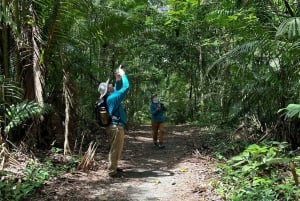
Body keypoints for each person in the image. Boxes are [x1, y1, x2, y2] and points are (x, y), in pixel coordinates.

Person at [98, 65, 130, 177]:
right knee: (115, 149)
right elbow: (126, 87)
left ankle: (114, 166)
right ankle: (112, 171)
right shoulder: (112, 98)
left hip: (114, 126)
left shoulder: (110, 97)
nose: (110, 85)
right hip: (116, 127)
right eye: (109, 85)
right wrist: (123, 74)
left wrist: (118, 79)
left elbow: (118, 88)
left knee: (116, 148)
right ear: (108, 90)